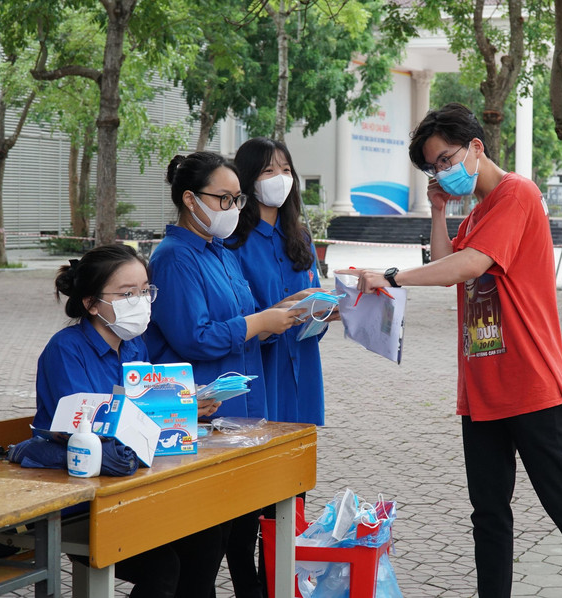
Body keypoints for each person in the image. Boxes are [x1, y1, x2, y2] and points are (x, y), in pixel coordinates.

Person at [340, 103, 562, 598]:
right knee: (489, 513)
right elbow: (448, 260)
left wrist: (390, 276)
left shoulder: (517, 193)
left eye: (447, 160)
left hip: (528, 381)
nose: (443, 173)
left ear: (476, 147)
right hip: (482, 388)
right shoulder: (479, 211)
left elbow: (470, 266)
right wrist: (438, 211)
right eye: (433, 168)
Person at [145, 151, 306, 597]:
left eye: (238, 200)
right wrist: (258, 323)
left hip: (241, 415)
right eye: (225, 199)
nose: (234, 210)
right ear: (190, 199)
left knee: (236, 532)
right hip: (203, 415)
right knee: (203, 548)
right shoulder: (175, 257)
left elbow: (248, 320)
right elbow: (192, 337)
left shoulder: (221, 252)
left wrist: (290, 312)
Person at [35, 243, 220, 598]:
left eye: (145, 291)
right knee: (164, 566)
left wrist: (185, 408)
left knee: (207, 536)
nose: (140, 301)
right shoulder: (66, 349)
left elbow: (146, 412)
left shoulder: (135, 346)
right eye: (126, 293)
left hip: (131, 486)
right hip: (82, 498)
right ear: (91, 303)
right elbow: (85, 428)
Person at [223, 137, 329, 597]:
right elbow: (237, 315)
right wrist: (272, 318)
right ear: (247, 180)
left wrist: (322, 310)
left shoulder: (299, 235)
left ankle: (277, 585)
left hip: (300, 375)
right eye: (267, 171)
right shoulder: (233, 242)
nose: (279, 179)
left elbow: (317, 299)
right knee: (246, 504)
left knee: (291, 498)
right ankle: (249, 585)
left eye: (285, 168)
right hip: (258, 378)